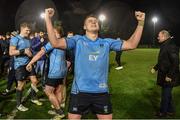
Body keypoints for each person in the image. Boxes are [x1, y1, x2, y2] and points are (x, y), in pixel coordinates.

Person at [45, 8, 145, 119]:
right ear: (84, 27)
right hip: (79, 92)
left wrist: (141, 23)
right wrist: (48, 19)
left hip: (101, 92)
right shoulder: (77, 40)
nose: (93, 22)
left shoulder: (106, 42)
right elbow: (55, 43)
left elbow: (132, 44)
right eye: (90, 21)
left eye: (95, 21)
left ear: (99, 26)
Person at [26, 25, 67, 119]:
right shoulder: (65, 41)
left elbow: (40, 53)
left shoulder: (53, 42)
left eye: (53, 32)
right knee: (59, 91)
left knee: (48, 91)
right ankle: (57, 108)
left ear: (57, 33)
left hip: (54, 72)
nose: (50, 34)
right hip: (63, 71)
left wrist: (31, 62)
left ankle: (59, 112)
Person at [9, 22, 42, 112]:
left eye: (29, 30)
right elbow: (11, 52)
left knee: (35, 81)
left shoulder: (27, 40)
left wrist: (31, 58)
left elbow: (29, 52)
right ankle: (19, 104)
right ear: (22, 29)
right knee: (21, 85)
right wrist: (23, 51)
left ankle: (33, 98)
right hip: (20, 65)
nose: (28, 32)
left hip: (29, 64)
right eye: (27, 30)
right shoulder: (15, 39)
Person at [151, 30, 180, 117]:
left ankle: (162, 112)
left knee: (165, 95)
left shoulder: (170, 46)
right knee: (167, 94)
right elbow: (163, 60)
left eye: (159, 36)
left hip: (169, 76)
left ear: (164, 36)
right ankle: (170, 111)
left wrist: (170, 75)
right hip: (165, 74)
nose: (157, 37)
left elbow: (175, 62)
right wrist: (155, 68)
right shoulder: (165, 45)